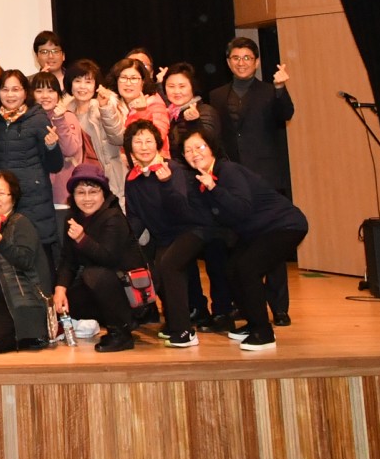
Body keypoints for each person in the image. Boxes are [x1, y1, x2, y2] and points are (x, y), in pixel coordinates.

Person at [181, 127, 308, 353]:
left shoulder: (227, 171)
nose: (194, 153)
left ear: (212, 148)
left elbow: (242, 209)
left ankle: (263, 332)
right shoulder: (200, 181)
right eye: (188, 150)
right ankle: (253, 322)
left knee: (248, 268)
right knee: (232, 269)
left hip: (284, 225)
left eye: (199, 147)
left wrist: (214, 188)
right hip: (256, 232)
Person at [205, 38, 296, 323]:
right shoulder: (217, 95)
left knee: (272, 244)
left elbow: (286, 114)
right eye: (236, 58)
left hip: (266, 179)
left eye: (247, 58)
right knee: (239, 245)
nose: (241, 62)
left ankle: (279, 308)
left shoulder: (270, 91)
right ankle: (244, 304)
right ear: (228, 62)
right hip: (233, 181)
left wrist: (281, 88)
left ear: (256, 62)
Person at [122, 119, 220, 348]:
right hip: (164, 236)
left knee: (168, 265)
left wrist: (166, 183)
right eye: (138, 142)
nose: (144, 147)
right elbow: (135, 217)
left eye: (149, 141)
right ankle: (176, 323)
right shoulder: (132, 178)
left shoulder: (173, 169)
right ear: (130, 148)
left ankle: (184, 331)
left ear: (158, 144)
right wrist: (124, 240)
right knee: (156, 268)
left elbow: (182, 211)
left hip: (193, 229)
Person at [51, 164, 144, 352]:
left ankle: (121, 332)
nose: (87, 198)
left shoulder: (113, 217)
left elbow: (109, 259)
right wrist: (60, 289)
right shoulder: (73, 217)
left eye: (93, 192)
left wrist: (82, 238)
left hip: (130, 289)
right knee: (67, 301)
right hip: (101, 285)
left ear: (103, 193)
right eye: (81, 193)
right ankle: (110, 321)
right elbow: (68, 259)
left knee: (93, 274)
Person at [0, 170, 52, 354]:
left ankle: (33, 336)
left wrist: (2, 244)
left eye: (1, 193)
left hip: (20, 299)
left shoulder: (21, 223)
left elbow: (26, 261)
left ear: (13, 198)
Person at [0, 69, 63, 251]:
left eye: (16, 89)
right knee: (8, 251)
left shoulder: (38, 119)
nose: (10, 95)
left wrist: (52, 146)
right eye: (5, 89)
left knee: (38, 251)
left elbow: (55, 165)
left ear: (25, 92)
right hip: (5, 199)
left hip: (34, 199)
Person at [67, 60, 128, 200]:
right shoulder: (65, 113)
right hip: (78, 181)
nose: (82, 86)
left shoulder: (104, 108)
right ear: (70, 84)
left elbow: (119, 138)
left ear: (96, 85)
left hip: (108, 179)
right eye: (77, 81)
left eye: (88, 81)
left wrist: (105, 108)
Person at [30, 72, 83, 208]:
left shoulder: (68, 117)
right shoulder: (29, 120)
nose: (45, 96)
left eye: (51, 91)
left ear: (58, 94)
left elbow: (70, 150)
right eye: (39, 91)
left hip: (63, 193)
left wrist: (59, 120)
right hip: (36, 193)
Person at [162, 63, 222, 162]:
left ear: (193, 87)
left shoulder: (205, 111)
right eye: (171, 86)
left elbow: (209, 144)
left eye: (182, 86)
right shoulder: (170, 112)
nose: (176, 91)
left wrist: (195, 122)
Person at [115, 59, 169, 147]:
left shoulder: (155, 103)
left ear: (143, 82)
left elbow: (158, 139)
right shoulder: (112, 103)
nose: (128, 83)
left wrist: (141, 112)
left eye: (134, 78)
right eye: (123, 78)